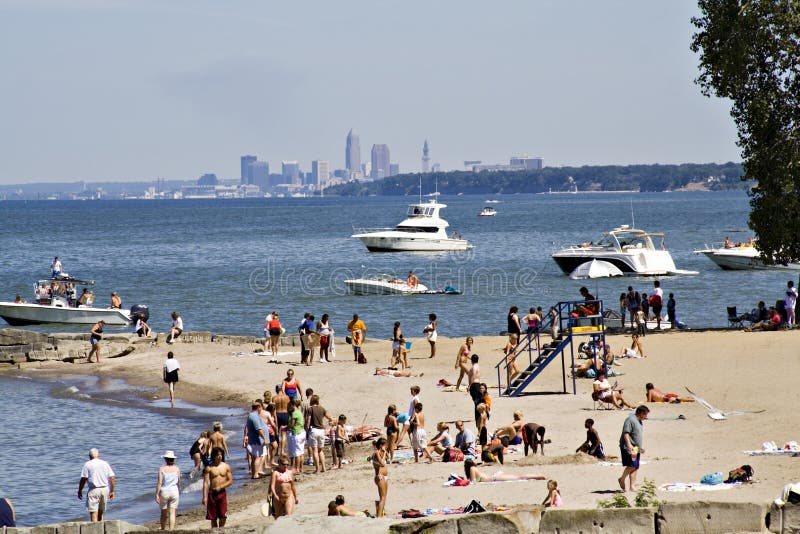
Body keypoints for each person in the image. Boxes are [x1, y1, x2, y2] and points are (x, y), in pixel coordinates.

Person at [77, 448, 115, 522]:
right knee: (101, 512)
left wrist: (80, 490)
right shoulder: (105, 463)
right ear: (98, 455)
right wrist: (112, 491)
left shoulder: (87, 464)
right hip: (104, 489)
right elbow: (112, 477)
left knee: (94, 513)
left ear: (89, 456)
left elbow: (83, 479)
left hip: (94, 490)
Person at [618, 405, 649, 492]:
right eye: (645, 414)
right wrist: (629, 445)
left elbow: (637, 435)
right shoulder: (630, 420)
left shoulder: (640, 422)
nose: (646, 417)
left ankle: (632, 486)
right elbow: (626, 433)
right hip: (629, 447)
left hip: (636, 448)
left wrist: (641, 446)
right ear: (640, 413)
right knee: (632, 465)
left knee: (635, 466)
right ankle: (622, 479)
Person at [203, 447, 233, 528]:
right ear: (214, 456)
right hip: (212, 493)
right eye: (217, 455)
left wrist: (221, 486)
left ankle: (221, 529)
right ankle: (215, 531)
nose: (219, 456)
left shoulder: (226, 466)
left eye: (221, 455)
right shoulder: (209, 468)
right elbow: (206, 483)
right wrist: (205, 497)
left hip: (222, 492)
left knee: (223, 515)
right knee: (213, 517)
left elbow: (230, 481)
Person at [155, 450, 181, 530]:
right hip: (174, 491)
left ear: (165, 459)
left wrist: (157, 494)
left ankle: (163, 528)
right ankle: (171, 530)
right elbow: (178, 482)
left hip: (165, 491)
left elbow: (159, 482)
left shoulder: (162, 469)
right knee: (172, 513)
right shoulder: (177, 469)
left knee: (163, 513)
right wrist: (178, 490)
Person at [308, 395, 333, 473]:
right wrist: (329, 425)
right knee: (320, 450)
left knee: (314, 451)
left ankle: (317, 469)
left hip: (314, 430)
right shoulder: (322, 409)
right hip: (321, 430)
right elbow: (330, 418)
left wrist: (306, 429)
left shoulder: (310, 409)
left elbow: (308, 421)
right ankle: (324, 468)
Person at [463, 458, 545, 483]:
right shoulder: (475, 468)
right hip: (494, 477)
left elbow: (473, 481)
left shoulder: (472, 468)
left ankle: (538, 476)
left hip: (494, 478)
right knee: (517, 476)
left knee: (518, 477)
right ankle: (537, 476)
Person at [243, 401, 268, 479]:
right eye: (260, 407)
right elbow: (258, 429)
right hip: (256, 440)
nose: (261, 409)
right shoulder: (254, 416)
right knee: (258, 457)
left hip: (253, 440)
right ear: (258, 407)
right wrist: (264, 438)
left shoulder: (251, 415)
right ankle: (255, 474)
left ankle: (254, 473)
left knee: (255, 457)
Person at [371, 437, 389, 517]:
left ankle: (381, 514)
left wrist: (385, 452)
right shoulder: (376, 453)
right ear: (382, 445)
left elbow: (387, 458)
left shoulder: (381, 452)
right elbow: (382, 464)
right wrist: (384, 452)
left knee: (383, 497)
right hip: (379, 477)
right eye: (385, 445)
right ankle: (378, 517)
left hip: (384, 477)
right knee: (383, 498)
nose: (386, 446)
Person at [287, 398, 306, 471]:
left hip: (297, 433)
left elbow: (292, 424)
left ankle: (297, 468)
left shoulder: (295, 413)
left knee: (297, 453)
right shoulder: (299, 412)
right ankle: (301, 468)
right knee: (301, 452)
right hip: (301, 432)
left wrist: (286, 428)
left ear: (293, 405)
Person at [273, 385, 290, 456]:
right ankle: (282, 451)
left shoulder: (274, 398)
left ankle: (276, 451)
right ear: (282, 389)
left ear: (276, 390)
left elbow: (273, 409)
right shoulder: (286, 397)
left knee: (276, 433)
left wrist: (274, 417)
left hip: (277, 414)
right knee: (284, 434)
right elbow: (289, 407)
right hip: (285, 414)